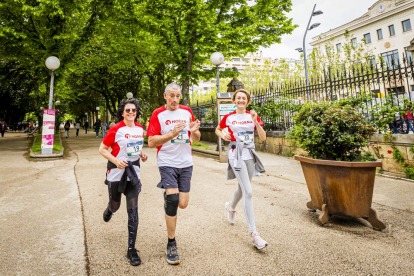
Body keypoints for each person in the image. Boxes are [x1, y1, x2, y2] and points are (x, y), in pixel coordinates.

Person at [147, 83, 201, 265]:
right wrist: (171, 133)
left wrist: (194, 132)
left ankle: (169, 194)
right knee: (173, 201)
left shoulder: (187, 112)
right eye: (172, 95)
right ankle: (171, 243)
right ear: (165, 96)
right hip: (167, 162)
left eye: (178, 96)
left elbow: (196, 138)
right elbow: (152, 142)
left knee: (183, 204)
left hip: (186, 163)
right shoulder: (158, 114)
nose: (175, 99)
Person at [215, 88, 268, 250]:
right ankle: (254, 235)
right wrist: (222, 135)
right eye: (238, 98)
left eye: (243, 98)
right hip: (235, 154)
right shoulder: (229, 117)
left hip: (250, 154)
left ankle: (230, 207)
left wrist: (256, 121)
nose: (241, 100)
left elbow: (263, 137)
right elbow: (217, 129)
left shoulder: (252, 116)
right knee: (248, 192)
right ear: (234, 100)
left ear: (247, 101)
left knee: (242, 187)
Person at [99, 98, 148, 266]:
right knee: (116, 205)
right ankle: (109, 209)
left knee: (133, 210)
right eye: (127, 110)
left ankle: (131, 249)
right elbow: (102, 149)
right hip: (116, 172)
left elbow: (135, 146)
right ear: (122, 113)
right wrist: (116, 161)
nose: (131, 112)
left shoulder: (140, 129)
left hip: (133, 172)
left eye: (133, 110)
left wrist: (141, 154)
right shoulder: (115, 129)